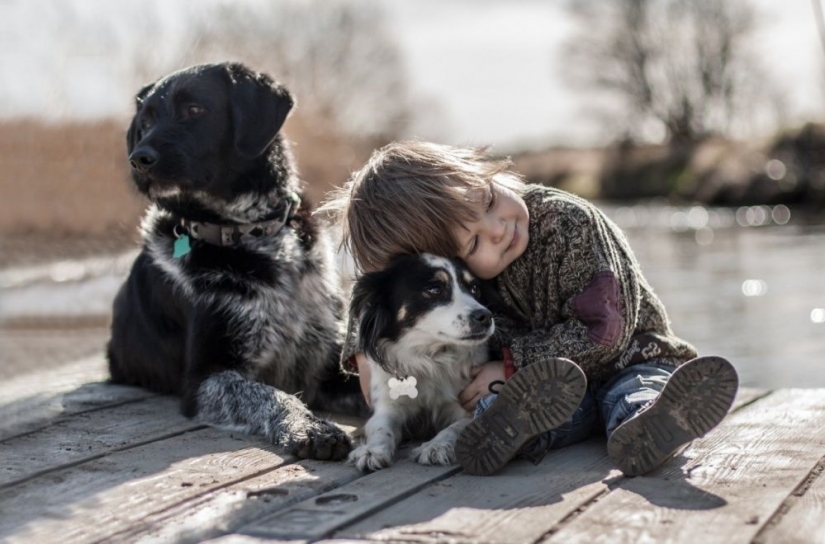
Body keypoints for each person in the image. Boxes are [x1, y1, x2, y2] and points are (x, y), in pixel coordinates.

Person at [321, 141, 738, 477]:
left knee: (631, 393)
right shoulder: (464, 280)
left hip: (631, 358)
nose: (498, 229)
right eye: (473, 245)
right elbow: (382, 290)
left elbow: (606, 330)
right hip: (553, 386)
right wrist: (361, 349)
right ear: (450, 261)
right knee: (524, 411)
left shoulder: (567, 222)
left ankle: (653, 424)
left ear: (481, 171)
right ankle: (505, 437)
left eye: (486, 201)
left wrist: (509, 363)